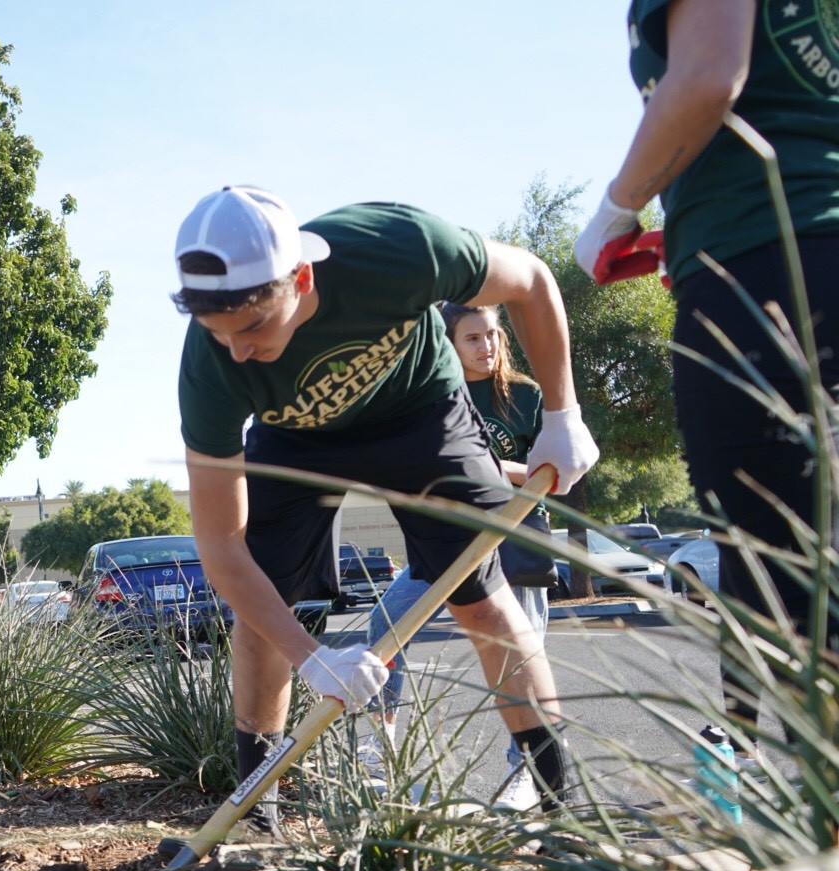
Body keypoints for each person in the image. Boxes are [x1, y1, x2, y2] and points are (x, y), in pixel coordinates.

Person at [173, 187, 599, 828]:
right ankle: (258, 809)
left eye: (254, 327)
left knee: (479, 594)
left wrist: (564, 415)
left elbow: (532, 281)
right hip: (294, 439)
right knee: (264, 610)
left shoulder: (397, 249)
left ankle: (557, 795)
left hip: (419, 411)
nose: (238, 351)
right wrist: (312, 659)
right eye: (219, 334)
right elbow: (224, 550)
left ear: (303, 276)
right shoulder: (212, 367)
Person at [575, 0, 839, 767]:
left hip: (768, 267)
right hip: (786, 247)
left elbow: (707, 77)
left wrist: (618, 205)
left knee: (787, 583)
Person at [364, 303, 554, 799]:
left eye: (491, 334)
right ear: (448, 344)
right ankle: (380, 746)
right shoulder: (433, 395)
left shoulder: (526, 396)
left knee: (520, 652)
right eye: (472, 338)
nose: (486, 346)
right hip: (447, 542)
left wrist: (484, 462)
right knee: (386, 625)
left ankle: (525, 776)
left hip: (514, 542)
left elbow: (550, 472)